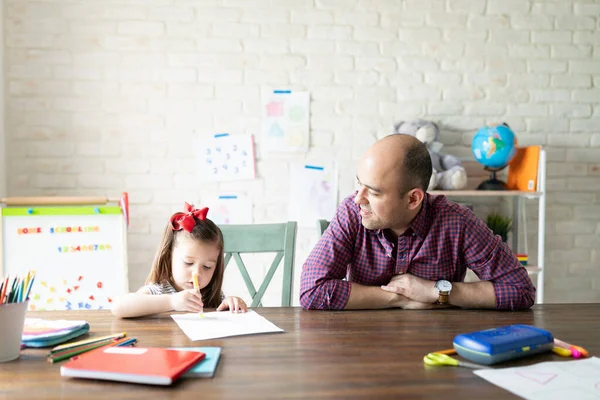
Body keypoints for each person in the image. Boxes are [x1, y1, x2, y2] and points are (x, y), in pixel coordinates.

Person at [300, 134, 535, 311]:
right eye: (359, 183)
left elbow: (520, 290)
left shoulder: (457, 222)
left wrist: (436, 290)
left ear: (413, 198)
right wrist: (400, 297)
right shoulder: (352, 212)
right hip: (363, 349)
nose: (358, 198)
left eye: (373, 192)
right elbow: (312, 290)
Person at [112, 203, 248, 318]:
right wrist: (172, 302)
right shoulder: (159, 290)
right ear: (169, 256)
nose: (197, 273)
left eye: (207, 267)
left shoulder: (211, 295)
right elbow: (118, 307)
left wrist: (231, 303)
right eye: (188, 263)